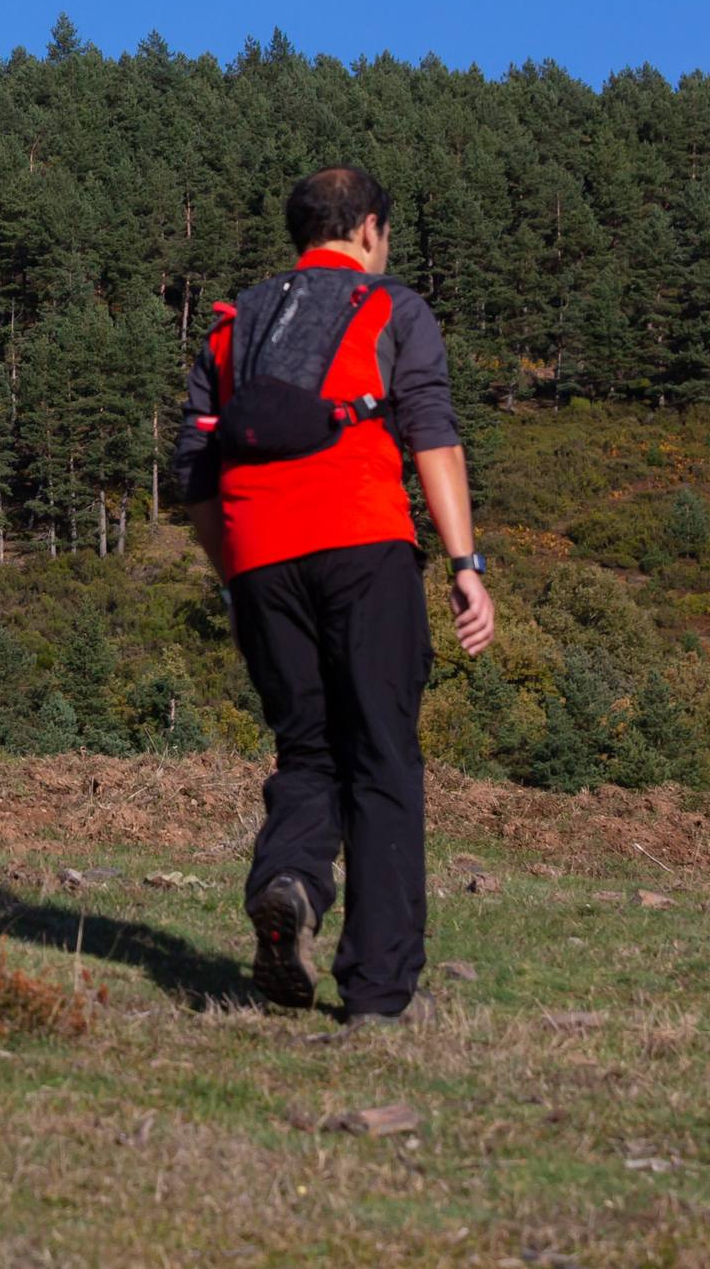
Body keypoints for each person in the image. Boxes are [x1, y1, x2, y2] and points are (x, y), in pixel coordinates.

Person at [169, 167, 497, 1034]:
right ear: (370, 231)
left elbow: (191, 472)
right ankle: (380, 990)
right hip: (361, 544)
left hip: (259, 558)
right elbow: (430, 431)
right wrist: (465, 562)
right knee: (382, 757)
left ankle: (292, 882)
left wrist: (234, 574)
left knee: (306, 747)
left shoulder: (231, 328)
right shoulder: (392, 308)